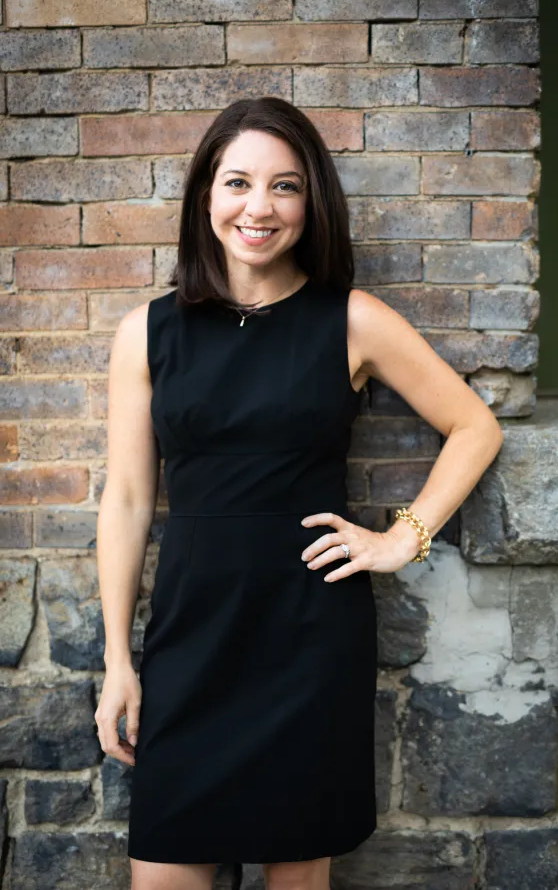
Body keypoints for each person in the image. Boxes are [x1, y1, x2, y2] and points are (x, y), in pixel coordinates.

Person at [94, 96, 504, 890]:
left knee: (297, 872)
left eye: (284, 186)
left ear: (310, 202)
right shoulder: (147, 332)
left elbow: (475, 428)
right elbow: (128, 502)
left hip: (307, 636)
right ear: (206, 195)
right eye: (238, 182)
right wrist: (118, 660)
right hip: (190, 637)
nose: (259, 207)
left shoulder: (351, 320)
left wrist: (399, 538)